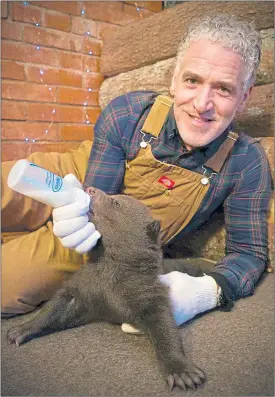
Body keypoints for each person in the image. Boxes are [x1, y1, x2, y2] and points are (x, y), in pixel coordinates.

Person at [1, 14, 272, 328]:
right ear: (174, 79)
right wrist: (76, 211)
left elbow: (249, 254)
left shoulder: (245, 162)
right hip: (78, 180)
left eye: (223, 89)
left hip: (106, 238)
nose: (202, 103)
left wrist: (206, 292)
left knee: (8, 281)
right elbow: (96, 190)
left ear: (244, 97)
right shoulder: (128, 112)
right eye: (192, 80)